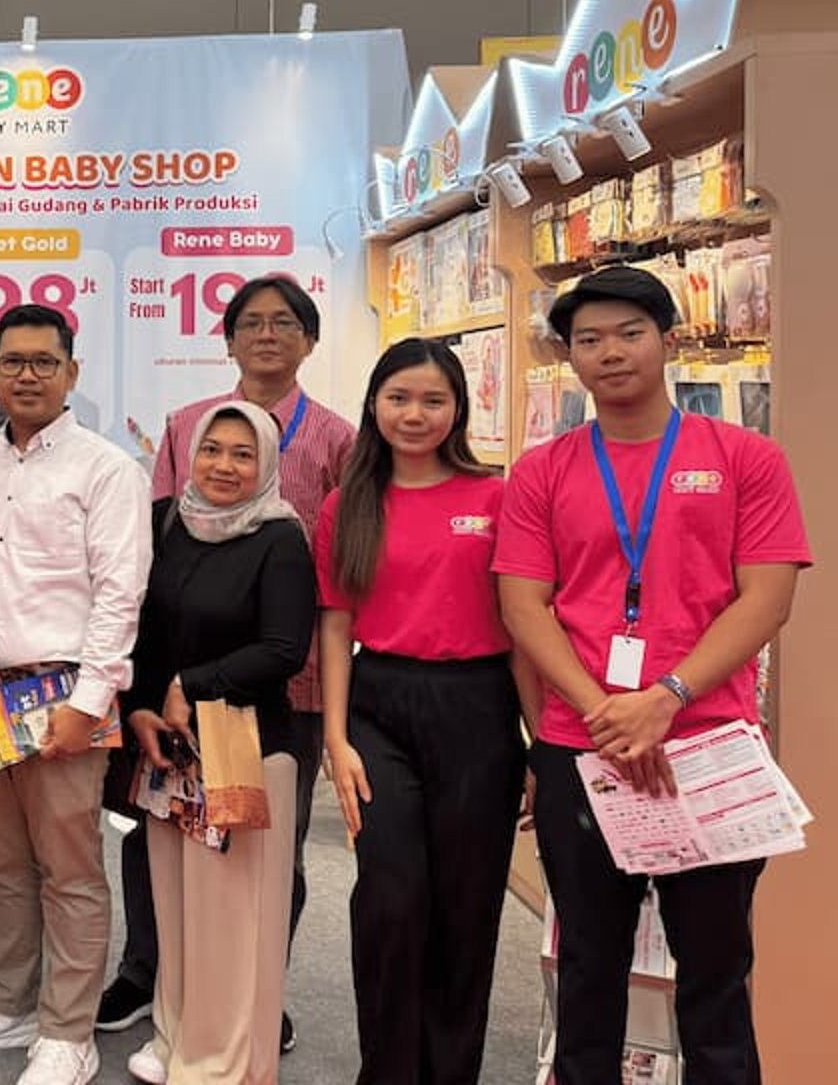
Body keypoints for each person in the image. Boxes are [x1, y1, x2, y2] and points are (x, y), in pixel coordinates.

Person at [494, 267, 810, 1085]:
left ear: (668, 339)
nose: (609, 353)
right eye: (588, 340)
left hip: (708, 747)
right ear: (569, 357)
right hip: (582, 749)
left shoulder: (746, 457)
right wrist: (605, 711)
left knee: (716, 976)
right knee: (587, 969)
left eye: (629, 334)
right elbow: (524, 607)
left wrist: (665, 699)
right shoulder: (541, 470)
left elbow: (767, 599)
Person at [105, 274, 355, 1049]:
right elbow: (158, 546)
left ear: (310, 340)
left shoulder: (338, 438)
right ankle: (149, 972)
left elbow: (339, 560)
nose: (267, 335)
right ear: (229, 338)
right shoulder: (186, 425)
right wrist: (148, 691)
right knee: (157, 829)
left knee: (265, 847)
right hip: (176, 687)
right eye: (251, 322)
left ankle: (256, 989)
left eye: (285, 323)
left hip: (284, 683)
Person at [0, 304, 152, 1085]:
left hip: (63, 695)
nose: (27, 375)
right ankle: (8, 1000)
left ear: (71, 373)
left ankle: (67, 1029)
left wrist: (89, 702)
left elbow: (120, 595)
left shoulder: (108, 470)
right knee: (3, 861)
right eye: (12, 361)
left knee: (71, 868)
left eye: (44, 362)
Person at [316, 339, 526, 1085]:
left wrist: (537, 741)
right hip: (379, 708)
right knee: (391, 899)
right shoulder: (348, 503)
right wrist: (336, 737)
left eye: (433, 400)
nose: (415, 414)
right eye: (399, 398)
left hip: (480, 707)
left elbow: (523, 624)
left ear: (458, 409)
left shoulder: (495, 498)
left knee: (467, 907)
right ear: (374, 404)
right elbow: (335, 623)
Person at [121, 400, 314, 1085]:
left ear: (267, 464)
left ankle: (221, 1060)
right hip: (170, 750)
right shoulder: (170, 523)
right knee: (178, 905)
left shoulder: (280, 539)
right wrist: (141, 709)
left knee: (231, 918)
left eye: (242, 454)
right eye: (212, 450)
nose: (224, 466)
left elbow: (285, 648)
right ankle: (177, 1033)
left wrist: (192, 683)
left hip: (243, 747)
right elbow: (142, 629)